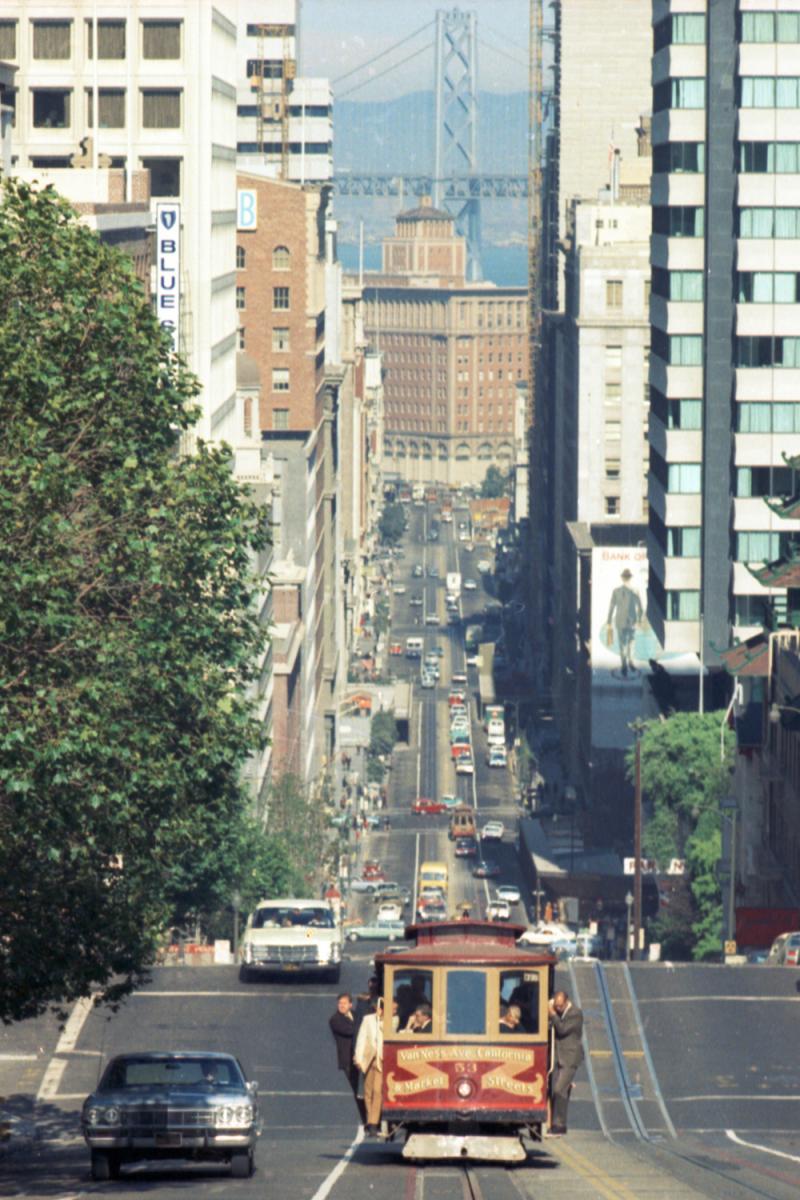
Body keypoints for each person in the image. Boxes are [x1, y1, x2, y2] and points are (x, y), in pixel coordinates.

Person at [547, 990, 584, 1136]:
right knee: (557, 1090)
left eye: (560, 1006)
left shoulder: (576, 1014)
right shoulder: (557, 1012)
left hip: (570, 1057)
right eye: (556, 1006)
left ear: (567, 1001)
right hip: (558, 1057)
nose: (558, 1008)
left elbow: (562, 1030)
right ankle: (556, 1123)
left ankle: (560, 1124)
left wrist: (552, 1013)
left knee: (558, 1089)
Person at [328, 993, 365, 1123]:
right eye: (339, 1003)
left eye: (344, 1003)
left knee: (366, 1088)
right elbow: (351, 1031)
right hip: (348, 1060)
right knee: (357, 1089)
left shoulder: (356, 1015)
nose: (341, 1006)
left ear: (351, 1004)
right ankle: (365, 1118)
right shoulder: (335, 1020)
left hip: (362, 1057)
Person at [354, 997, 385, 1134]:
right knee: (368, 1092)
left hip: (382, 1060)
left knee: (377, 1091)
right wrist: (359, 1058)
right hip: (369, 1059)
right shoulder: (368, 1019)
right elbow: (361, 1038)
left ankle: (373, 1123)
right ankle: (369, 1119)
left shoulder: (391, 1021)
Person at [605, 568, 643, 678]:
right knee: (631, 642)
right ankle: (630, 662)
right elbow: (640, 607)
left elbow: (611, 606)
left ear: (622, 578)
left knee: (622, 644)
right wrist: (639, 620)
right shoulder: (634, 590)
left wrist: (608, 621)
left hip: (620, 621)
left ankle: (624, 665)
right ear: (630, 578)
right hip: (631, 621)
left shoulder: (616, 591)